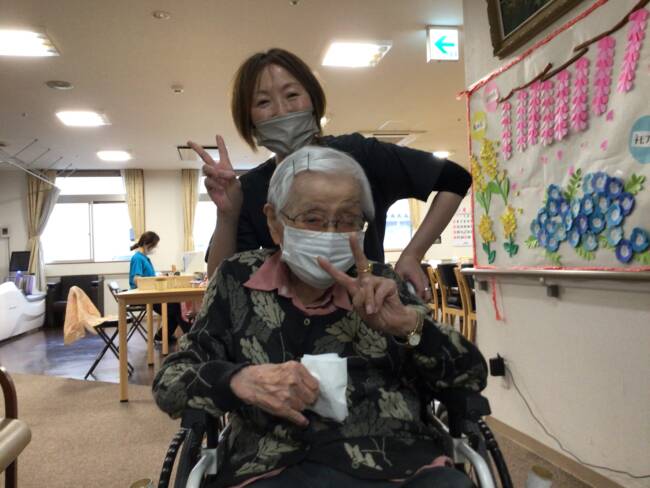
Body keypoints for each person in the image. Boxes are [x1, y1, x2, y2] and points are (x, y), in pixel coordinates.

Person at [153, 146, 486, 488]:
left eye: (348, 220)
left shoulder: (383, 285)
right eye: (313, 219)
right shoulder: (237, 281)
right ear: (275, 223)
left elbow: (472, 375)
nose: (330, 233)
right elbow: (169, 382)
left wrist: (409, 327)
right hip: (270, 468)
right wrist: (239, 381)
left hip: (397, 465)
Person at [191, 48, 471, 299]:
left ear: (313, 101)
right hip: (283, 332)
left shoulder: (360, 156)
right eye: (263, 102)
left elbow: (454, 179)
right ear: (249, 120)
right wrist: (227, 215)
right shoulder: (249, 189)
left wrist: (412, 254)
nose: (282, 111)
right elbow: (220, 286)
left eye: (292, 95)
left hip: (370, 313)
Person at [129, 231, 190, 343]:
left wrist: (158, 277)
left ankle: (162, 336)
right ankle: (190, 337)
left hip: (150, 294)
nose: (155, 248)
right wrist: (154, 280)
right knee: (176, 308)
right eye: (155, 246)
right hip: (143, 296)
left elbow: (149, 276)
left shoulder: (144, 258)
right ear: (147, 244)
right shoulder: (137, 258)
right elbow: (136, 279)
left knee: (175, 307)